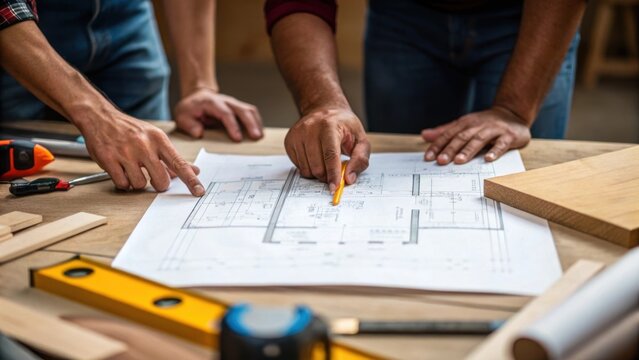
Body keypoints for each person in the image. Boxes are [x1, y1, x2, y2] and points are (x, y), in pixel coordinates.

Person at [264, 0, 585, 193]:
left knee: (525, 185)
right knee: (405, 165)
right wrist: (322, 101)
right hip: (403, 14)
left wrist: (513, 110)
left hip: (531, 15)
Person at [0, 0, 263, 196]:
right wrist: (98, 116)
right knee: (16, 190)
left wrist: (199, 86)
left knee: (148, 178)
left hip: (126, 13)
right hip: (16, 26)